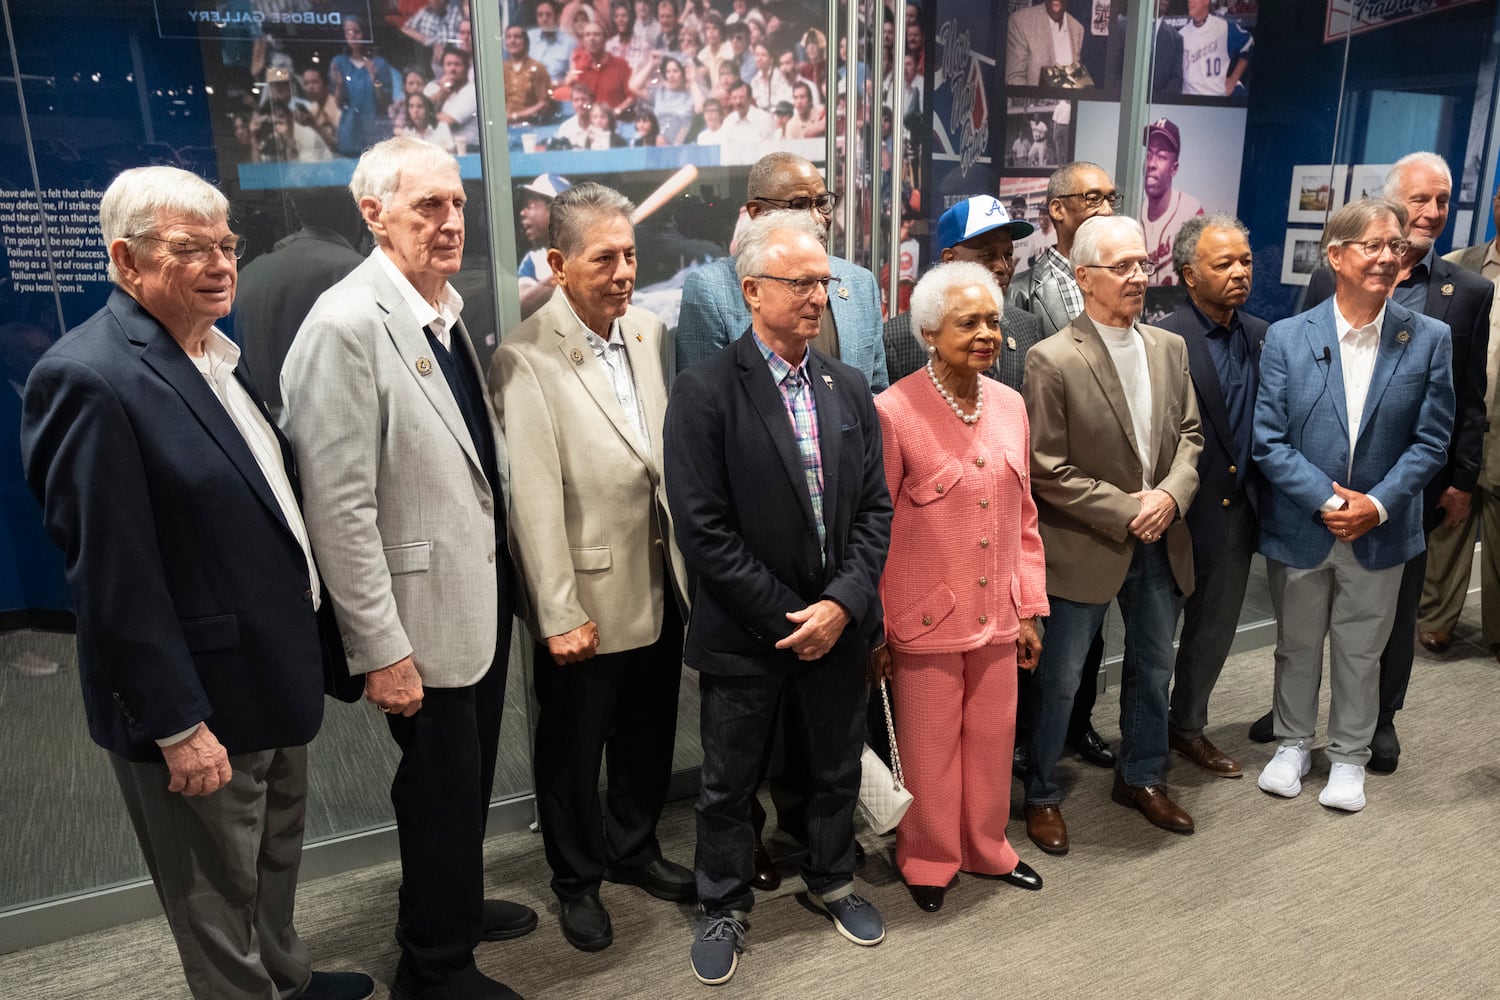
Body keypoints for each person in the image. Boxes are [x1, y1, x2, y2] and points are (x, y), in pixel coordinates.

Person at [20, 165, 373, 1000]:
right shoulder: (89, 377)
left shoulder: (216, 353)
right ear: (126, 259)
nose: (220, 264)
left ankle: (285, 981)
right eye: (190, 248)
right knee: (213, 897)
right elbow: (112, 580)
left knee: (271, 859)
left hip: (267, 673)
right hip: (198, 701)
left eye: (226, 244)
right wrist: (176, 723)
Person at [280, 137, 536, 1000]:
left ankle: (448, 906)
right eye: (428, 206)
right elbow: (337, 510)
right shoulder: (347, 325)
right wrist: (379, 648)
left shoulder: (440, 308)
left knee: (460, 783)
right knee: (435, 790)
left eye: (456, 203)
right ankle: (435, 965)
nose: (451, 220)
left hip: (474, 599)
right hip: (414, 622)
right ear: (373, 214)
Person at [664, 210, 893, 987]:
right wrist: (788, 615)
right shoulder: (703, 391)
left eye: (824, 283)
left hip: (838, 622)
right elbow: (702, 528)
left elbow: (874, 512)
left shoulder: (849, 387)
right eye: (801, 283)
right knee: (728, 785)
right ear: (752, 288)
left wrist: (841, 605)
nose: (819, 297)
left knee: (833, 768)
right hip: (747, 631)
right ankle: (722, 904)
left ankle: (832, 879)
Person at [491, 183, 694, 954]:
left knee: (647, 731)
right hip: (585, 595)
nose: (622, 272)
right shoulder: (526, 355)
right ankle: (576, 879)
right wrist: (556, 610)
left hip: (656, 578)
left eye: (630, 255)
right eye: (603, 257)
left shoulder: (645, 331)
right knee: (574, 750)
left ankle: (634, 849)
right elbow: (533, 501)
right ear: (557, 262)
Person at [1248, 154, 1492, 775]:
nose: (1389, 256)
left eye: (1394, 246)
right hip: (1306, 523)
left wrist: (1376, 504)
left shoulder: (1429, 336)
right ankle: (1293, 742)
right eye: (1375, 245)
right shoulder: (1288, 335)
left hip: (1385, 524)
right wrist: (1330, 502)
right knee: (1297, 645)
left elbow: (1434, 438)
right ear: (1335, 256)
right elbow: (1269, 439)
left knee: (1364, 648)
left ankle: (1353, 752)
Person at [1021, 214, 1203, 855]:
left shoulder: (1167, 346)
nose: (1137, 277)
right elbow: (1047, 468)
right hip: (1087, 546)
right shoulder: (1051, 360)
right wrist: (1128, 509)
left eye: (1140, 265)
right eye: (1121, 267)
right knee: (1062, 680)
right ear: (1084, 277)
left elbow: (1190, 437)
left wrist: (1171, 497)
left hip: (1161, 539)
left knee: (1154, 669)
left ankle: (1142, 775)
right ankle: (1041, 792)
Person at [872, 261, 1049, 914]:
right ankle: (928, 857)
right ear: (927, 330)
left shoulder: (1011, 405)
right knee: (929, 752)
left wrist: (1029, 607)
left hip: (998, 614)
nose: (986, 334)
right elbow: (875, 528)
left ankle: (986, 845)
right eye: (967, 321)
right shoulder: (892, 413)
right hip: (922, 620)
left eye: (994, 322)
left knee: (993, 739)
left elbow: (1024, 516)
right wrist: (879, 627)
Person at [1010, 161, 1123, 773]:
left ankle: (1079, 726)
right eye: (1090, 196)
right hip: (1054, 478)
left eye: (1111, 196)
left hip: (1110, 477)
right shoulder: (1030, 291)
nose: (1104, 206)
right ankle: (1035, 743)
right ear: (1057, 209)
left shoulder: (1115, 280)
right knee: (1052, 631)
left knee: (1095, 626)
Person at [1155, 213, 1265, 778]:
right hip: (1176, 517)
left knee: (1213, 632)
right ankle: (1144, 745)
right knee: (1154, 644)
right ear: (1189, 274)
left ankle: (1188, 728)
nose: (1239, 272)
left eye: (1245, 260)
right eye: (1224, 264)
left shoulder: (1265, 335)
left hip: (1237, 515)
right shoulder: (1163, 339)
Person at [677, 151, 888, 390]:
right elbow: (704, 402)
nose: (817, 217)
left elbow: (876, 395)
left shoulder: (859, 283)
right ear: (757, 212)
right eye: (798, 205)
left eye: (822, 203)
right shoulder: (711, 290)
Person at [1430, 184, 1500, 657]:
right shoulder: (1461, 264)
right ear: (1496, 205)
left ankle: (1496, 631)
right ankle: (1435, 620)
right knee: (1449, 521)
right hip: (1462, 417)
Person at [882, 195, 1042, 390]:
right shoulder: (899, 338)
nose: (1003, 267)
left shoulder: (1027, 326)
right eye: (988, 255)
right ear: (950, 259)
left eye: (1008, 254)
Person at [234, 192, 365, 417]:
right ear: (357, 212)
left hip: (263, 434)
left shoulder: (248, 274)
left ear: (294, 209)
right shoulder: (360, 274)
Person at [1141, 117, 1204, 287]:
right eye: (1148, 155)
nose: (1151, 164)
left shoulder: (1190, 212)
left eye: (1161, 156)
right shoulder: (1133, 212)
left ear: (1174, 168)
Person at [330, 14, 395, 157]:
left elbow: (385, 103)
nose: (352, 35)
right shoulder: (340, 63)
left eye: (356, 31)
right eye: (348, 32)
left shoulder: (379, 64)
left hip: (376, 132)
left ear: (364, 33)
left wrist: (374, 80)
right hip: (350, 131)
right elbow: (339, 104)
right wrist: (340, 86)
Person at [517, 172, 573, 319]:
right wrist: (565, 274)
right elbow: (523, 305)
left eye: (530, 205)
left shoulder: (593, 256)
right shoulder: (533, 259)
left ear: (556, 211)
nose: (523, 213)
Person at [1179, 0, 1252, 98]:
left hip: (1217, 98)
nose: (1190, 2)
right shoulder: (1181, 35)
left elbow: (1249, 43)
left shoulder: (1223, 28)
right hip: (1190, 100)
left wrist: (1233, 79)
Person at [1005, 0, 1083, 87]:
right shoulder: (1021, 21)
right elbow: (1014, 78)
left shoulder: (1077, 28)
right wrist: (1037, 99)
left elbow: (1075, 79)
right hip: (1032, 99)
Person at [568, 20, 636, 115]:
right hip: (591, 122)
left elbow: (632, 97)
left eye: (596, 35)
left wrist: (616, 112)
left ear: (605, 39)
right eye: (588, 35)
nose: (592, 38)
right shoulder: (581, 69)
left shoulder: (620, 65)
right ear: (583, 41)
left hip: (617, 121)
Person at [425, 46, 479, 152]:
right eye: (448, 64)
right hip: (445, 148)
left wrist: (420, 117)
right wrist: (441, 91)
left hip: (469, 149)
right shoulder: (442, 89)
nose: (452, 69)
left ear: (466, 68)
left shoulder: (472, 90)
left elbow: (448, 120)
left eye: (457, 64)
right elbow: (420, 105)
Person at [503, 25, 555, 127]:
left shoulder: (537, 68)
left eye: (517, 37)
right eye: (508, 37)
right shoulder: (502, 68)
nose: (512, 41)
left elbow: (544, 103)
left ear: (525, 42)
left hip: (530, 124)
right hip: (504, 124)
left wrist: (515, 116)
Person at [650, 55, 704, 144]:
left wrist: (692, 81)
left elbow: (700, 108)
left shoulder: (692, 93)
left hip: (682, 140)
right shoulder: (660, 91)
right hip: (658, 141)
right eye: (668, 72)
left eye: (675, 71)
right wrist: (651, 64)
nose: (671, 75)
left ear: (683, 73)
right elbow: (633, 87)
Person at [529, 0, 576, 83]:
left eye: (548, 15)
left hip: (557, 90)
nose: (544, 19)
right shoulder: (528, 37)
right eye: (540, 15)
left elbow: (573, 73)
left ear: (557, 18)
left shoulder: (570, 43)